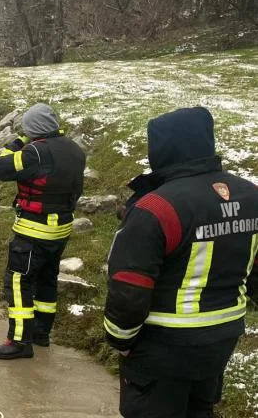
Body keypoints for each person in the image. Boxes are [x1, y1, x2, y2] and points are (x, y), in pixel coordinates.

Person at [103, 107, 258, 418]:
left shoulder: (157, 207)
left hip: (162, 345)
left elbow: (129, 287)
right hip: (221, 338)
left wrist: (120, 339)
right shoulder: (250, 195)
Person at [0, 103, 86, 360]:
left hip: (33, 231)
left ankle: (19, 341)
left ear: (33, 129)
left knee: (19, 283)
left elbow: (1, 167)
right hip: (61, 229)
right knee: (47, 281)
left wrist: (17, 141)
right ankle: (42, 333)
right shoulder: (75, 149)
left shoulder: (34, 153)